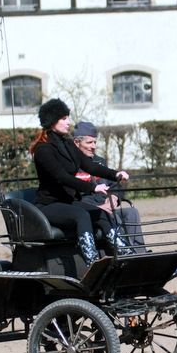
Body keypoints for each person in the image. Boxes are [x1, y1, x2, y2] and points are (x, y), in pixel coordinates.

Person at [29, 98, 130, 268]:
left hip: (69, 202)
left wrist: (115, 174)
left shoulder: (67, 144)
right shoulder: (43, 149)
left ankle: (125, 254)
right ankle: (92, 262)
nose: (68, 122)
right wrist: (93, 187)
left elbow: (90, 166)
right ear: (52, 121)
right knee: (81, 215)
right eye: (64, 118)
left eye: (68, 117)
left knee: (101, 213)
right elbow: (62, 177)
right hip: (49, 205)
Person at [72, 121, 146, 254]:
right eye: (89, 142)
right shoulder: (70, 165)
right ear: (77, 143)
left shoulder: (100, 162)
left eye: (95, 142)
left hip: (107, 207)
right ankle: (124, 255)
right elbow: (71, 198)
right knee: (113, 217)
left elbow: (115, 186)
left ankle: (140, 254)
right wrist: (98, 208)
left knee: (131, 213)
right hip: (87, 212)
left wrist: (114, 198)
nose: (94, 146)